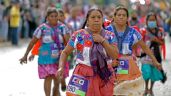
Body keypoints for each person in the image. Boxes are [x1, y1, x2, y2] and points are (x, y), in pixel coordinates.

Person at [56, 8, 119, 96]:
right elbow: (65, 52)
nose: (96, 20)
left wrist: (103, 41)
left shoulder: (110, 36)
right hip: (82, 75)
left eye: (99, 17)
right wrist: (61, 67)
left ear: (102, 20)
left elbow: (115, 55)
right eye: (93, 17)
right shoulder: (79, 35)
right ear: (87, 21)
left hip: (105, 75)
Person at [105, 6, 162, 95]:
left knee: (126, 91)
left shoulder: (133, 32)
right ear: (114, 17)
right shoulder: (107, 31)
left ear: (127, 18)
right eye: (119, 15)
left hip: (128, 66)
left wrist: (155, 61)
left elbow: (145, 47)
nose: (121, 17)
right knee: (112, 91)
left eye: (123, 15)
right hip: (111, 65)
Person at [19, 7, 69, 96]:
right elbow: (33, 42)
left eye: (55, 16)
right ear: (47, 17)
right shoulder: (42, 28)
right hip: (46, 57)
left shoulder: (63, 27)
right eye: (51, 16)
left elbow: (69, 42)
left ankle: (56, 91)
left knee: (56, 77)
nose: (54, 18)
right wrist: (25, 55)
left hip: (59, 57)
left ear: (58, 17)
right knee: (48, 77)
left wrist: (69, 52)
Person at [140, 12, 165, 96]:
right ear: (146, 21)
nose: (152, 21)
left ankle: (151, 89)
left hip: (156, 55)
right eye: (150, 20)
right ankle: (146, 88)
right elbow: (139, 42)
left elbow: (162, 42)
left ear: (156, 21)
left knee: (154, 73)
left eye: (153, 20)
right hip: (145, 55)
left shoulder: (159, 31)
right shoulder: (143, 31)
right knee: (146, 72)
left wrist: (156, 40)